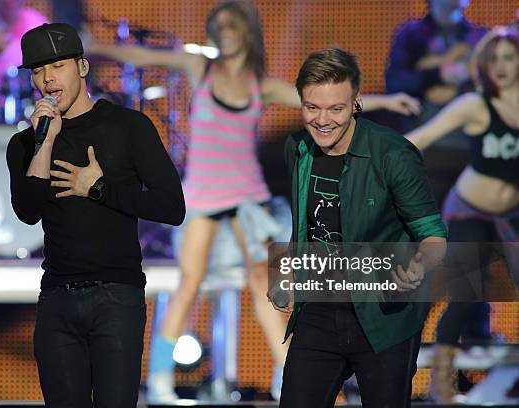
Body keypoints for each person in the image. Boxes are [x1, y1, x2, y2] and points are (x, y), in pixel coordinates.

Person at [87, 0, 422, 401]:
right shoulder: (201, 70)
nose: (224, 35)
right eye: (219, 28)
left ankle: (287, 372)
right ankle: (160, 378)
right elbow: (144, 54)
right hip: (205, 195)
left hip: (247, 197)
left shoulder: (258, 84)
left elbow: (319, 101)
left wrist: (385, 102)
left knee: (266, 283)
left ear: (246, 32)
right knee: (189, 282)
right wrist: (95, 46)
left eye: (232, 27)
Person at [6, 23, 185, 407]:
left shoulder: (128, 126)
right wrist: (46, 140)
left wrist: (100, 189)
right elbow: (27, 211)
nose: (47, 78)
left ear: (83, 68)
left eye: (57, 66)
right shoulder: (25, 143)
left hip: (116, 298)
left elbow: (172, 207)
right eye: (37, 71)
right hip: (57, 301)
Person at [277, 47, 447, 407]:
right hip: (320, 310)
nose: (323, 120)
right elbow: (306, 227)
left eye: (335, 109)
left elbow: (433, 236)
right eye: (312, 107)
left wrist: (418, 267)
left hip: (384, 315)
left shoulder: (393, 155)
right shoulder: (297, 149)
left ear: (356, 103)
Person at [405, 26, 519, 403]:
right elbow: (419, 138)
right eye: (493, 58)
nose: (501, 66)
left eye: (509, 57)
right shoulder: (475, 104)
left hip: (510, 213)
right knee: (464, 294)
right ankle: (442, 383)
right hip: (470, 210)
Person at [385, 0, 487, 135]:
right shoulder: (410, 34)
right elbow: (395, 82)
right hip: (420, 132)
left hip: (470, 134)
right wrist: (439, 74)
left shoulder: (480, 37)